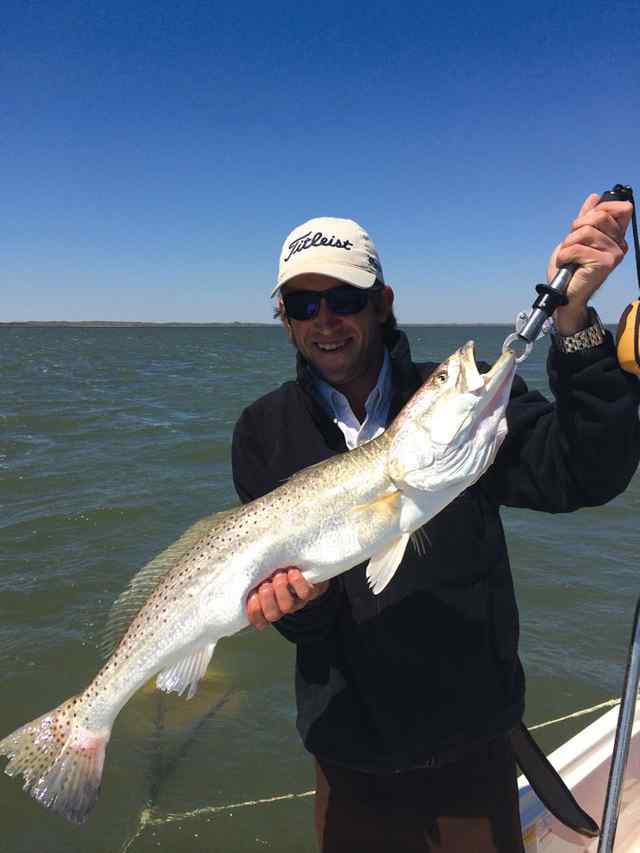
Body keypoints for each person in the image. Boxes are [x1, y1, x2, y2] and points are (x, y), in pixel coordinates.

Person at [231, 196, 640, 852]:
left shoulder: (460, 412)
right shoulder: (262, 432)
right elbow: (307, 625)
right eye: (303, 306)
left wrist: (576, 326)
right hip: (348, 757)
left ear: (382, 300)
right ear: (285, 320)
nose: (325, 321)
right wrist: (292, 607)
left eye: (343, 297)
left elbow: (585, 471)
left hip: (471, 749)